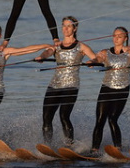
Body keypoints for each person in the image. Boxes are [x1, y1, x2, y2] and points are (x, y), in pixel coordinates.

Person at [35, 16, 97, 146]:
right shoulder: (57, 46)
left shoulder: (82, 46)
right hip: (54, 85)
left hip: (71, 86)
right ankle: (47, 146)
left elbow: (96, 58)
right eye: (63, 25)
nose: (65, 28)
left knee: (64, 115)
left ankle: (69, 145)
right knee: (46, 118)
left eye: (69, 26)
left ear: (74, 29)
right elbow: (47, 52)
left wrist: (93, 62)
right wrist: (41, 57)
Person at [89, 27, 130, 152]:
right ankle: (94, 150)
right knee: (100, 120)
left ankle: (118, 148)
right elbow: (97, 59)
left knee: (112, 118)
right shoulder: (105, 52)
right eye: (114, 35)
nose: (116, 38)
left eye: (119, 36)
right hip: (106, 89)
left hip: (122, 89)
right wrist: (92, 61)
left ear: (125, 38)